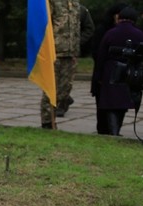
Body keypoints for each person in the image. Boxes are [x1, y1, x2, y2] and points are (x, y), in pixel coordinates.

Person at [93, 7, 143, 136]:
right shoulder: (140, 34)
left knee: (111, 103)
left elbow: (101, 55)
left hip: (111, 71)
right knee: (122, 103)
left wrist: (98, 75)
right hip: (129, 71)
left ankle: (113, 131)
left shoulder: (110, 33)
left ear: (119, 18)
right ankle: (116, 130)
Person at [40, 0, 80, 130]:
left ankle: (55, 113)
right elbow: (45, 24)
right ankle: (47, 121)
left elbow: (77, 26)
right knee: (51, 88)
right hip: (55, 50)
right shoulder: (52, 1)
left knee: (65, 88)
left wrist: (76, 50)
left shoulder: (75, 2)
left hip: (71, 51)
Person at [91, 3, 128, 134]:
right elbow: (96, 51)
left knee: (120, 104)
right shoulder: (103, 30)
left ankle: (114, 129)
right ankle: (103, 129)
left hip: (121, 72)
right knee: (102, 102)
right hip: (105, 71)